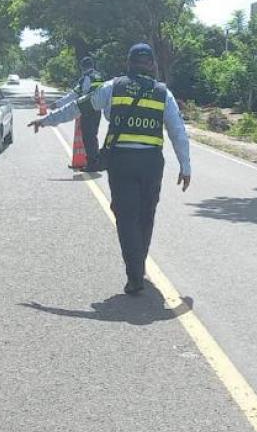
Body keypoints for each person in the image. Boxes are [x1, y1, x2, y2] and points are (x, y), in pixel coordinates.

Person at [30, 43, 191, 295]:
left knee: (126, 218)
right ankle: (139, 265)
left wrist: (47, 120)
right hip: (151, 164)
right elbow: (178, 131)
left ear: (128, 63)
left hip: (121, 162)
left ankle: (135, 273)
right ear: (152, 65)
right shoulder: (164, 93)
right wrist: (186, 166)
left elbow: (78, 107)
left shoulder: (112, 86)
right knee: (145, 216)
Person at [72, 56, 104, 172]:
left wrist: (59, 104)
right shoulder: (99, 76)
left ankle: (92, 164)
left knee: (88, 137)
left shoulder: (86, 78)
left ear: (82, 67)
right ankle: (94, 161)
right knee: (93, 136)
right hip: (97, 110)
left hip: (88, 110)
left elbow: (78, 94)